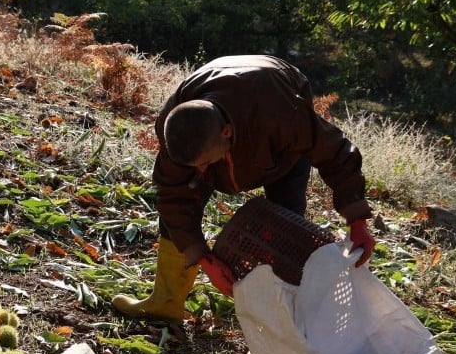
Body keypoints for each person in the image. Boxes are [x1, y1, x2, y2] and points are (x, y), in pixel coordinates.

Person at [113, 54, 376, 320]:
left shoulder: (282, 114)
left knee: (285, 226)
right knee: (177, 210)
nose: (200, 173)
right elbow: (173, 196)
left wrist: (357, 220)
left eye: (205, 163)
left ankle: (278, 324)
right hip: (219, 119)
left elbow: (336, 153)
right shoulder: (178, 125)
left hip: (278, 144)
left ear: (226, 132)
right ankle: (166, 302)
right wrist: (205, 259)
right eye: (193, 167)